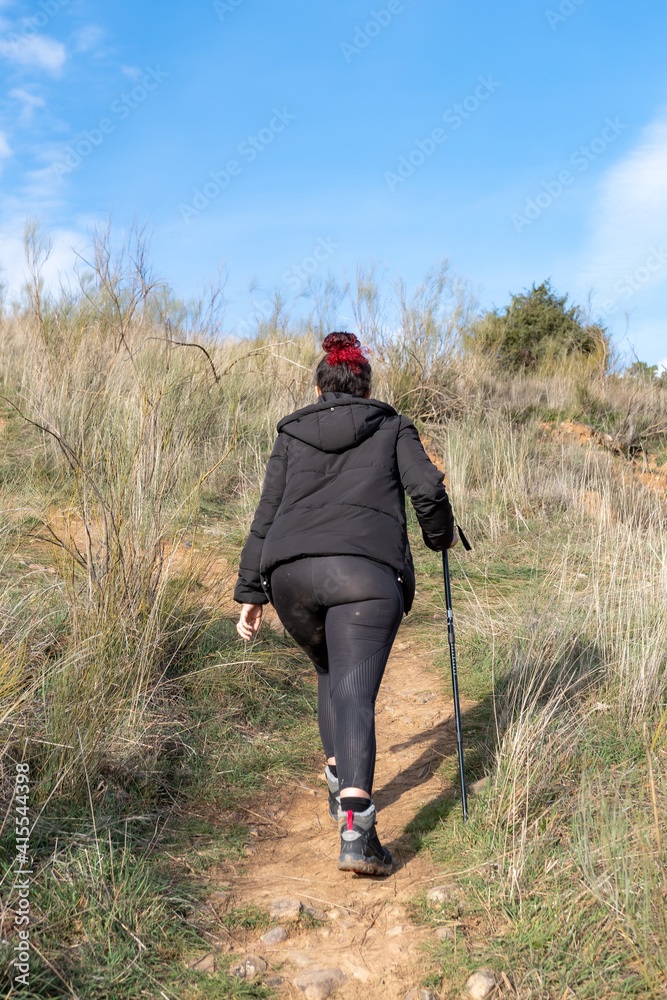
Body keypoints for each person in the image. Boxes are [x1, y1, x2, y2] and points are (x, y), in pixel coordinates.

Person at [234, 332, 457, 876]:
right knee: (355, 691)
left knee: (331, 671)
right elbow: (426, 489)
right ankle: (356, 830)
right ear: (366, 387)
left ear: (318, 388)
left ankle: (338, 780)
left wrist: (250, 593)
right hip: (362, 575)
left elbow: (267, 512)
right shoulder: (392, 424)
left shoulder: (292, 432)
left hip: (290, 578)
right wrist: (439, 536)